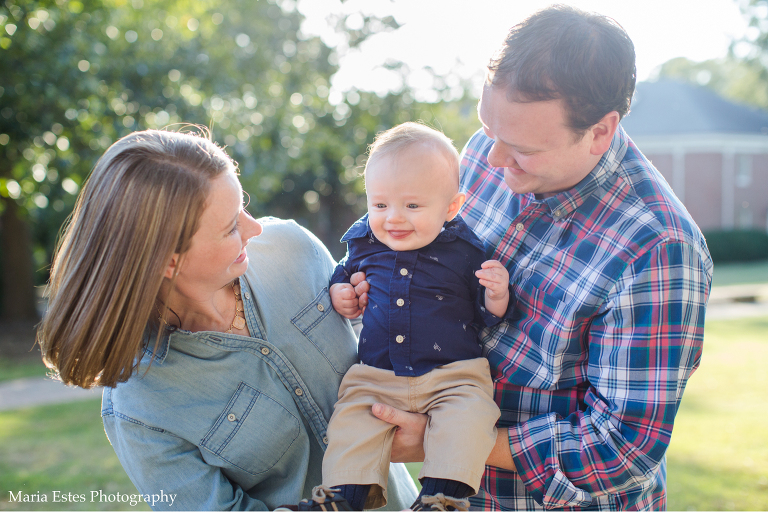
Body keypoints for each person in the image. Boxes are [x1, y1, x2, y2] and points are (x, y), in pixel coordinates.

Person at [363, 6, 713, 511]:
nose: (493, 156)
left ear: (599, 131)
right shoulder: (491, 149)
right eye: (490, 127)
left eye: (523, 148)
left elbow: (620, 449)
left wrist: (443, 438)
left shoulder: (657, 249)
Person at [36, 128, 417, 511]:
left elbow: (385, 348)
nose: (255, 228)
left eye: (243, 207)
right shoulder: (141, 410)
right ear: (168, 261)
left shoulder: (293, 249)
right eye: (231, 227)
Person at [305, 122, 509, 511]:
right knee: (352, 419)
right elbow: (343, 274)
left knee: (468, 418)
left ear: (451, 207)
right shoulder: (365, 242)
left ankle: (441, 498)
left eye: (412, 206)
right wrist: (341, 294)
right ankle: (342, 498)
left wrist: (497, 293)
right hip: (378, 375)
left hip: (453, 375)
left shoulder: (466, 250)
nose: (393, 218)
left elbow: (489, 314)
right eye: (380, 204)